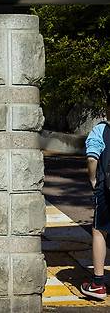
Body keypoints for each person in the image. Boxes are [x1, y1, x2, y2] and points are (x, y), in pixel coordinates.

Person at [80, 112, 110, 300]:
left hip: (106, 189)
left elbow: (92, 158)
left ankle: (98, 284)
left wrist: (93, 179)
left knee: (100, 231)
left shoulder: (101, 130)